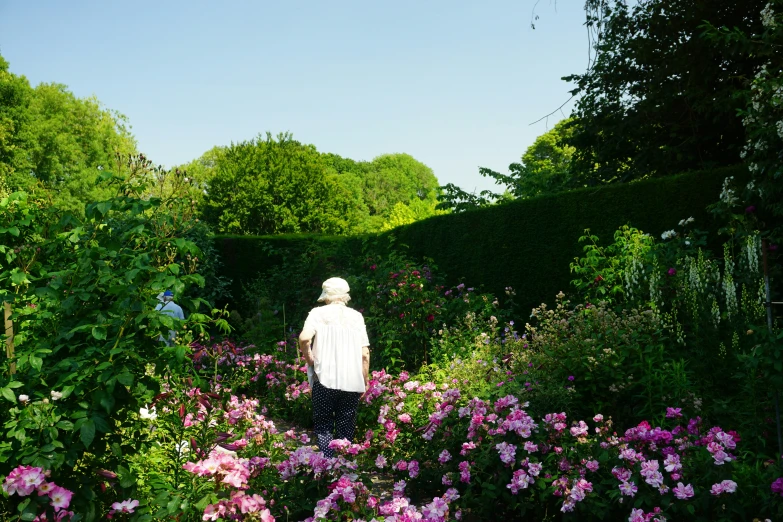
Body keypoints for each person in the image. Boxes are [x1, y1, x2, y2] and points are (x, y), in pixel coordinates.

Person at [299, 277, 370, 457]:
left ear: (326, 295)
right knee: (346, 426)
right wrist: (365, 379)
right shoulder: (357, 316)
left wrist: (310, 360)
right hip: (352, 382)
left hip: (324, 379)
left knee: (323, 425)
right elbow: (364, 354)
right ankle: (344, 465)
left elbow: (304, 339)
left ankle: (328, 468)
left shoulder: (317, 313)